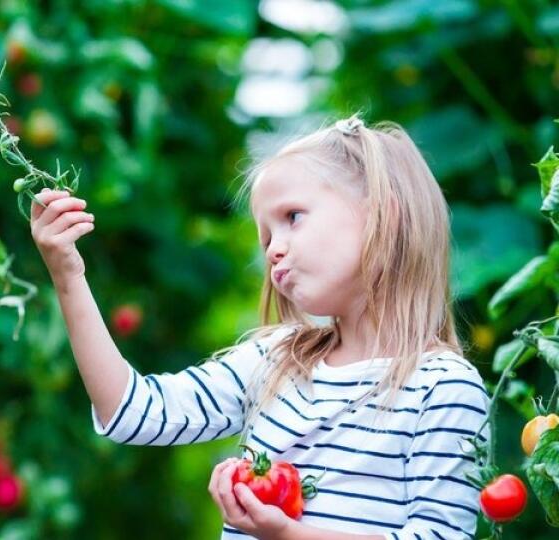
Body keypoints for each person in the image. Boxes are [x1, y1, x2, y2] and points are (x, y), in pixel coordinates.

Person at [28, 113, 489, 540]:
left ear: (383, 214)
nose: (273, 250)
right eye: (266, 236)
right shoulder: (275, 362)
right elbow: (133, 412)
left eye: (292, 218)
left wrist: (286, 535)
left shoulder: (444, 388)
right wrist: (69, 277)